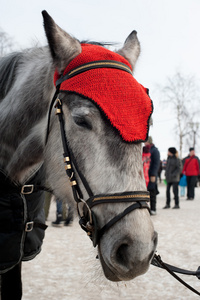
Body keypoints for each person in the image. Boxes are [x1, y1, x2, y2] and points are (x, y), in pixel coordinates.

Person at [145, 136, 160, 215]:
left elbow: (156, 163)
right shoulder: (145, 150)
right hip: (145, 174)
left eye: (146, 141)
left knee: (152, 191)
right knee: (146, 191)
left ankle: (153, 208)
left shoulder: (155, 151)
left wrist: (153, 174)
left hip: (151, 175)